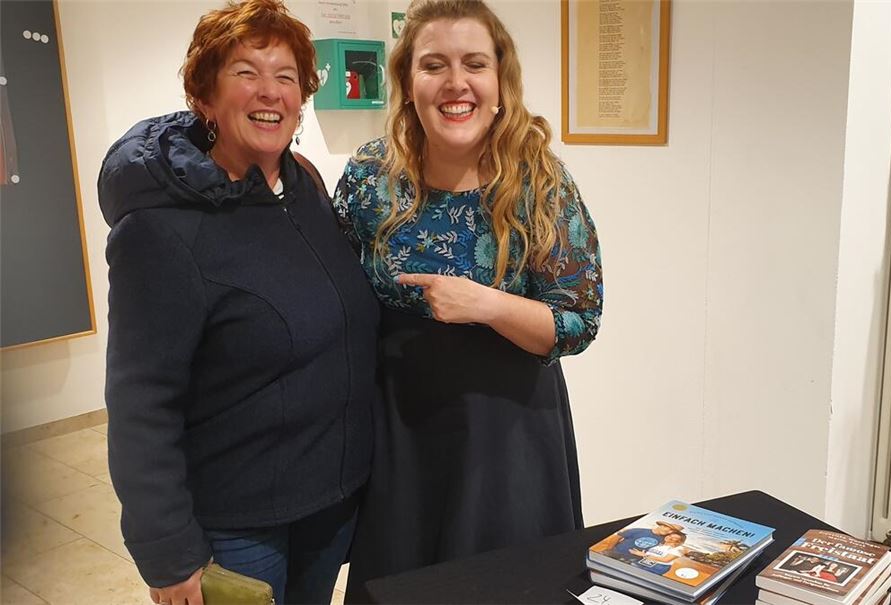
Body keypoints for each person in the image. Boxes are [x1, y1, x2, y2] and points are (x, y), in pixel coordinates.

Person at [98, 1, 379, 604]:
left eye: (286, 76)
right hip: (240, 524)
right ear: (204, 96)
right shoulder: (162, 227)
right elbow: (140, 401)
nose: (270, 91)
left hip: (329, 505)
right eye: (246, 72)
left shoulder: (303, 185)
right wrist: (168, 552)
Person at [332, 0, 603, 598]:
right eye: (434, 65)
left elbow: (579, 321)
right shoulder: (369, 177)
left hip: (507, 438)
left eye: (474, 64)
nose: (456, 84)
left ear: (500, 82)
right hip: (399, 430)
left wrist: (486, 304)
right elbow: (333, 292)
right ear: (408, 83)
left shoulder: (541, 183)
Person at [601, 521, 686, 565]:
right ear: (662, 526)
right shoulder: (639, 530)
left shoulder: (665, 539)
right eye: (670, 529)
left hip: (632, 560)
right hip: (614, 553)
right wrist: (609, 549)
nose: (670, 532)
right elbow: (617, 537)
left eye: (673, 531)